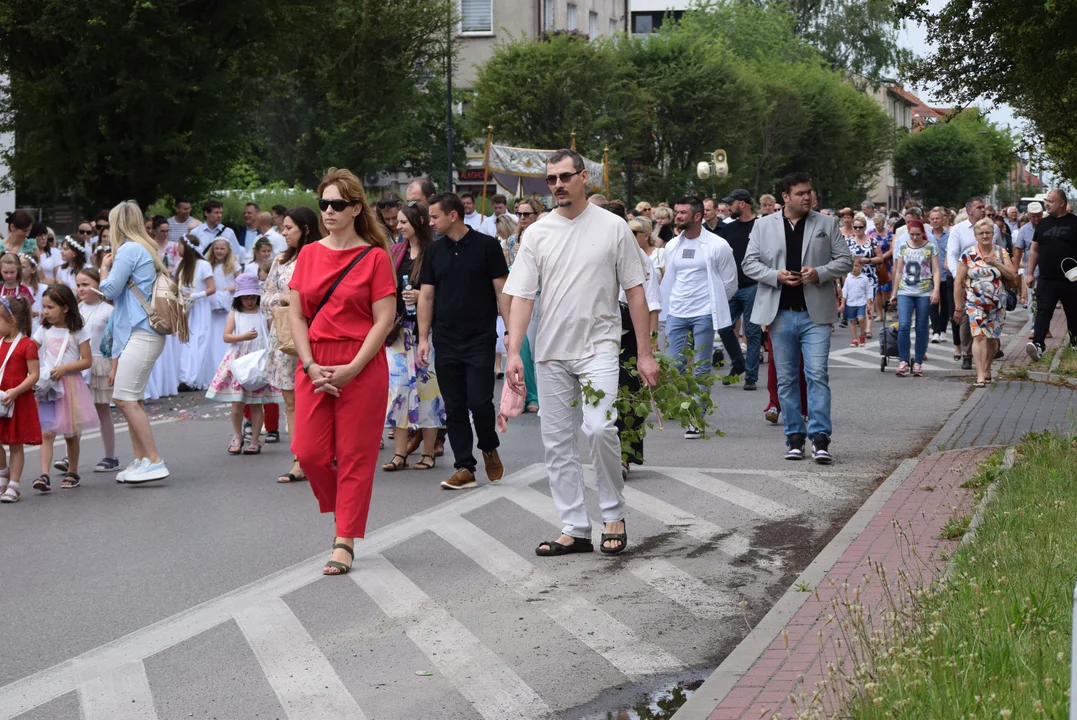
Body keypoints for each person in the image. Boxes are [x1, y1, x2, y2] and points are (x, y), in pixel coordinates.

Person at [504, 148, 658, 557]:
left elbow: (636, 292)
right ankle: (573, 525)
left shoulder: (613, 228)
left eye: (564, 177)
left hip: (599, 347)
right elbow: (520, 296)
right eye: (551, 179)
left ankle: (613, 513)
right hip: (551, 351)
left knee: (599, 427)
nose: (557, 185)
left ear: (583, 177)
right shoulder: (536, 232)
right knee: (556, 442)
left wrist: (645, 353)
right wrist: (514, 352)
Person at [289, 168, 397, 576]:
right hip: (315, 362)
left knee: (354, 455)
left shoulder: (374, 256)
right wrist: (310, 364)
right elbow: (297, 316)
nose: (328, 211)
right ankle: (346, 510)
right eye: (323, 204)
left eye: (337, 204)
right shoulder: (310, 253)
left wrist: (352, 368)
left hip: (360, 363)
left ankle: (344, 539)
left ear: (355, 209)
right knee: (311, 453)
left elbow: (382, 321)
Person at [742, 172, 852, 463]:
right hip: (779, 314)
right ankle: (794, 436)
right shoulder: (763, 226)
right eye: (801, 193)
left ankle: (820, 438)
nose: (807, 197)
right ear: (785, 197)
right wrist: (774, 276)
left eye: (809, 192)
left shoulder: (826, 223)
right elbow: (749, 264)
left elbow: (845, 260)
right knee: (787, 380)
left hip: (815, 314)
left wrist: (819, 273)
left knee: (817, 375)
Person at [416, 193, 509, 490]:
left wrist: (510, 332)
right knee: (454, 406)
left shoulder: (487, 246)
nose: (430, 223)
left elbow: (501, 292)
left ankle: (489, 446)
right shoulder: (433, 252)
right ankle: (464, 467)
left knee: (479, 401)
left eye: (434, 217)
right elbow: (426, 296)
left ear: (452, 215)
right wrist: (423, 338)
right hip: (445, 338)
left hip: (480, 337)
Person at [99, 200, 172, 484]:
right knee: (133, 398)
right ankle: (143, 459)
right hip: (144, 331)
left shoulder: (128, 249)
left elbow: (110, 290)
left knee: (124, 397)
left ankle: (153, 459)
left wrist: (104, 268)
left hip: (142, 331)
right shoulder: (147, 247)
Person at [660, 196, 737, 438]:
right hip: (676, 313)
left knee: (702, 367)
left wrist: (712, 304)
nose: (678, 216)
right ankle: (681, 404)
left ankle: (696, 416)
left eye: (683, 212)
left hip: (704, 313)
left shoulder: (718, 245)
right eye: (676, 212)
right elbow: (669, 279)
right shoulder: (672, 245)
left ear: (697, 216)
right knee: (674, 367)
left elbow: (729, 283)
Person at [383, 201, 446, 472]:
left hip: (427, 332)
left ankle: (428, 452)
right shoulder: (397, 251)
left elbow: (447, 291)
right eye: (397, 222)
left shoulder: (436, 252)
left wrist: (423, 296)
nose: (398, 226)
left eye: (403, 222)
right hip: (399, 332)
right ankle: (399, 453)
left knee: (427, 390)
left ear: (418, 222)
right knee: (397, 390)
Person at [263, 206, 317, 484]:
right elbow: (266, 297)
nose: (283, 233)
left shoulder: (319, 255)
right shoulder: (281, 260)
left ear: (305, 229)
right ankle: (299, 458)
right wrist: (283, 300)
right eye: (283, 228)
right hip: (284, 337)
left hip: (314, 334)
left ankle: (321, 452)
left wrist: (294, 299)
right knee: (291, 400)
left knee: (318, 397)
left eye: (289, 228)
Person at [30, 284, 97, 492]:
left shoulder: (78, 331)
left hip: (70, 385)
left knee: (71, 432)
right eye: (44, 307)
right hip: (50, 387)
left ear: (65, 308)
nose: (46, 312)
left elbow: (87, 361)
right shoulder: (44, 330)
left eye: (50, 307)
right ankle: (44, 474)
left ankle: (73, 471)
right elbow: (31, 350)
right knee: (46, 432)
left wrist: (65, 368)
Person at [206, 273, 281, 454]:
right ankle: (237, 435)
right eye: (245, 297)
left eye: (252, 297)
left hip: (258, 360)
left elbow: (272, 334)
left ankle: (255, 439)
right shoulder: (235, 314)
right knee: (237, 402)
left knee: (257, 403)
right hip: (239, 360)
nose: (249, 301)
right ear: (239, 298)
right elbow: (226, 336)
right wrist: (243, 336)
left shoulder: (264, 313)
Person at [954, 219, 1017, 386]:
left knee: (993, 339)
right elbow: (958, 281)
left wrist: (995, 263)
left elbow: (1013, 276)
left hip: (997, 303)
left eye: (988, 232)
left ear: (993, 234)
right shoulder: (967, 255)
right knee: (979, 336)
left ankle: (987, 368)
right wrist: (958, 306)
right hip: (975, 303)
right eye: (981, 233)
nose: (985, 236)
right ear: (975, 236)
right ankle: (980, 375)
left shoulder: (1001, 252)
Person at [946, 196, 1004, 370]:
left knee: (992, 316)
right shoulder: (958, 230)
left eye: (983, 207)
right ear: (969, 210)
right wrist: (960, 277)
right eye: (979, 207)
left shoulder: (994, 228)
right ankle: (967, 353)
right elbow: (952, 254)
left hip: (990, 281)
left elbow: (1001, 251)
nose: (983, 210)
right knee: (966, 317)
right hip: (967, 280)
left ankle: (991, 349)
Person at [717, 189, 763, 391]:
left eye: (732, 203)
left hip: (754, 286)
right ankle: (738, 364)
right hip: (731, 287)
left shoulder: (760, 227)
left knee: (752, 332)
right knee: (724, 327)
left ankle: (751, 376)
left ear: (742, 204)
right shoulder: (728, 228)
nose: (729, 207)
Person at [1026, 189, 1077, 359]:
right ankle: (1038, 344)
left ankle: (1075, 343)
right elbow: (1034, 249)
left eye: (1051, 201)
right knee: (1043, 311)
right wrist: (1030, 273)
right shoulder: (1043, 224)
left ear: (1062, 203)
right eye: (1046, 200)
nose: (1047, 203)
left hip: (1071, 279)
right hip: (1046, 278)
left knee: (1073, 312)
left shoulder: (1074, 223)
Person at [76, 269, 118, 472]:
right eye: (78, 285)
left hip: (101, 363)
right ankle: (70, 455)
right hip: (79, 364)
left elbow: (114, 342)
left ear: (98, 285)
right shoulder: (76, 310)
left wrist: (114, 367)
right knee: (76, 411)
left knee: (102, 411)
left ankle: (110, 456)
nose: (81, 288)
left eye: (85, 284)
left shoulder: (108, 310)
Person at [0, 297, 40, 503]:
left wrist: (15, 391)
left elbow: (34, 374)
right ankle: (3, 472)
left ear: (12, 321)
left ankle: (13, 485)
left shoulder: (27, 344)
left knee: (16, 444)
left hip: (17, 399)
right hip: (1, 398)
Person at [889, 219, 941, 377]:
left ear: (923, 233)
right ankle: (903, 360)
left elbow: (936, 270)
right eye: (912, 234)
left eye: (918, 234)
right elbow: (898, 270)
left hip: (924, 291)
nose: (915, 237)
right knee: (904, 325)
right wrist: (894, 292)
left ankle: (918, 361)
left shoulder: (930, 247)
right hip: (905, 291)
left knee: (921, 327)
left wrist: (936, 290)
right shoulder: (903, 246)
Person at [174, 235, 217, 391]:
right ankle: (184, 377)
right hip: (186, 308)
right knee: (186, 343)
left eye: (179, 245)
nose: (177, 249)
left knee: (199, 342)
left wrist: (194, 296)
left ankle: (194, 378)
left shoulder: (203, 265)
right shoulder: (180, 265)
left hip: (200, 308)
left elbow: (211, 289)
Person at [207, 238, 239, 381]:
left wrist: (230, 288)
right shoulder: (209, 266)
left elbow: (241, 282)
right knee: (214, 336)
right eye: (216, 248)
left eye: (222, 248)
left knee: (226, 333)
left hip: (227, 303)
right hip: (214, 303)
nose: (219, 251)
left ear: (228, 250)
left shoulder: (233, 266)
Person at [927, 207, 958, 352]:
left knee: (946, 304)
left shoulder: (950, 235)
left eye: (937, 218)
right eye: (932, 219)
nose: (935, 221)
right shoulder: (927, 236)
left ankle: (943, 329)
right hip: (930, 274)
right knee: (933, 303)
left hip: (945, 274)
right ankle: (936, 331)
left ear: (943, 219)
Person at [840, 258, 871, 346]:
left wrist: (869, 303)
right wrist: (843, 303)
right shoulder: (848, 278)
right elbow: (845, 291)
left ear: (861, 266)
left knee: (861, 318)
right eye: (852, 266)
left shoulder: (864, 278)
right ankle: (854, 339)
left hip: (861, 302)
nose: (854, 268)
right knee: (852, 321)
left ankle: (862, 335)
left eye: (856, 266)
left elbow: (868, 291)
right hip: (850, 303)